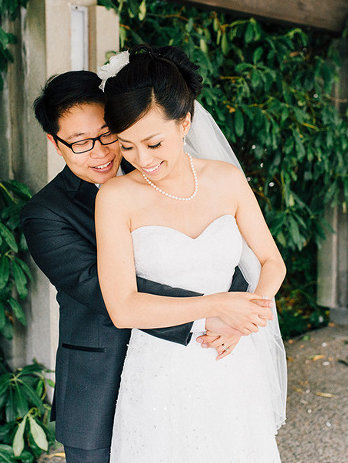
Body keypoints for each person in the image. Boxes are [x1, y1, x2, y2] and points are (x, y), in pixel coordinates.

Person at [20, 69, 262, 463]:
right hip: (98, 382)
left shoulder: (159, 173)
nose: (100, 152)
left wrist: (237, 314)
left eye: (107, 134)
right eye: (80, 143)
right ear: (55, 143)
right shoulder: (45, 214)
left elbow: (214, 252)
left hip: (187, 371)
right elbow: (101, 290)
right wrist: (214, 312)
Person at [96, 45, 288, 462]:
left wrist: (243, 322)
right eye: (127, 147)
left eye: (153, 143)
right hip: (160, 370)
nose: (141, 160)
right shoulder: (115, 198)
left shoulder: (226, 180)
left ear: (184, 122)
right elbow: (123, 308)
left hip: (231, 358)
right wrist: (218, 306)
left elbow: (272, 262)